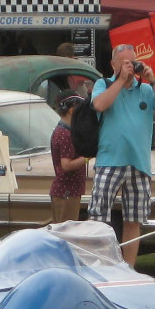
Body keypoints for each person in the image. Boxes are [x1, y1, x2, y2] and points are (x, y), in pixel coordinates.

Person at [89, 44, 155, 266]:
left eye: (132, 62)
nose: (129, 67)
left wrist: (153, 80)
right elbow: (99, 104)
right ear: (113, 64)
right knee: (99, 218)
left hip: (139, 164)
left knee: (134, 220)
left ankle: (128, 269)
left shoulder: (145, 90)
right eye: (124, 62)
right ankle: (103, 266)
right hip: (109, 161)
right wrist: (119, 80)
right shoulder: (103, 84)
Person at [49, 95, 88, 223]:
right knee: (66, 233)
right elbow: (66, 165)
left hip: (67, 191)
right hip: (67, 192)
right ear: (72, 110)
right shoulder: (65, 134)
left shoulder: (64, 131)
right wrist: (88, 156)